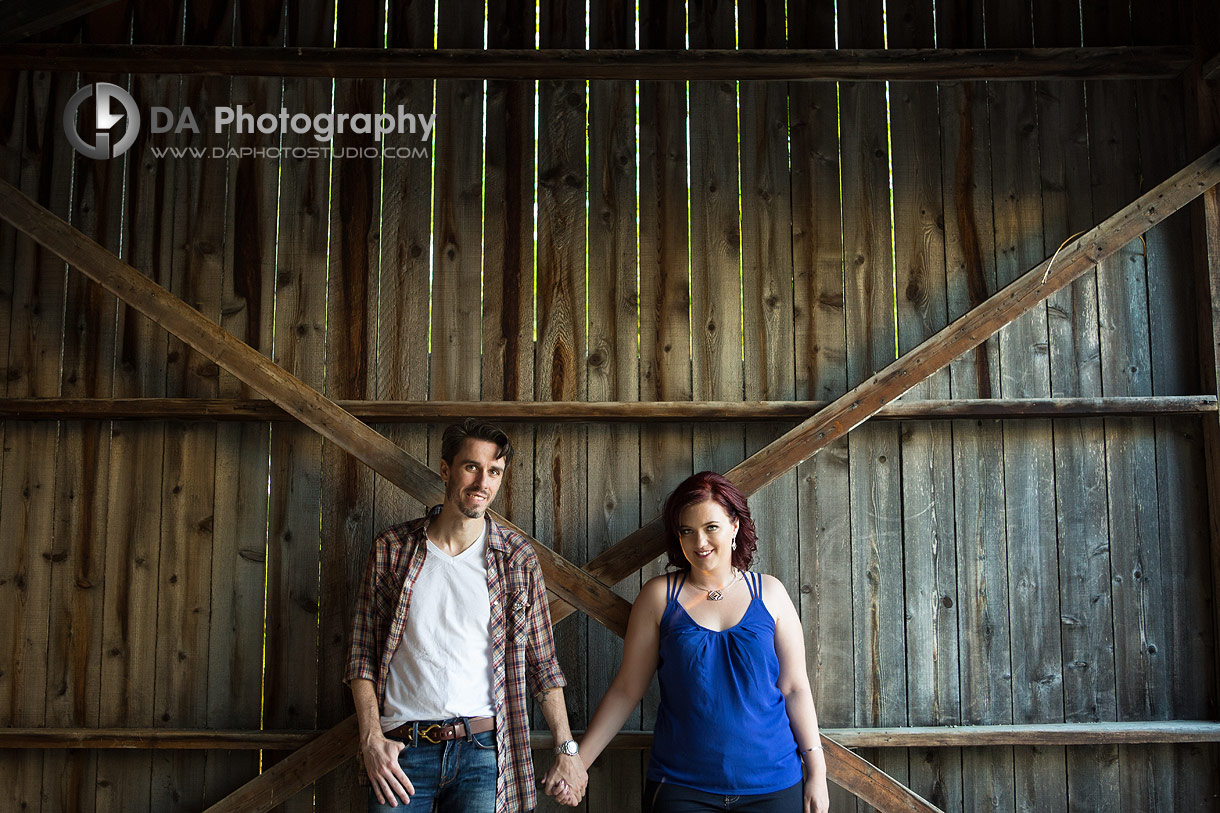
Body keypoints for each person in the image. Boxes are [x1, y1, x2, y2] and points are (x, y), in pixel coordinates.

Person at [545, 471, 830, 812]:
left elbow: (795, 687)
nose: (700, 543)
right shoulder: (659, 597)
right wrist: (579, 762)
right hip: (682, 787)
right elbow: (627, 689)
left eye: (711, 527)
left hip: (774, 784)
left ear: (735, 526)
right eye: (687, 531)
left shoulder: (770, 593)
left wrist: (817, 771)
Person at [346, 418, 588, 812]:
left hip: (483, 753)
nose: (482, 483)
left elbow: (542, 663)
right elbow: (362, 656)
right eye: (471, 467)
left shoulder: (516, 558)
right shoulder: (393, 549)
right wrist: (371, 738)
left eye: (494, 471)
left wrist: (567, 748)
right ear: (446, 469)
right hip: (401, 752)